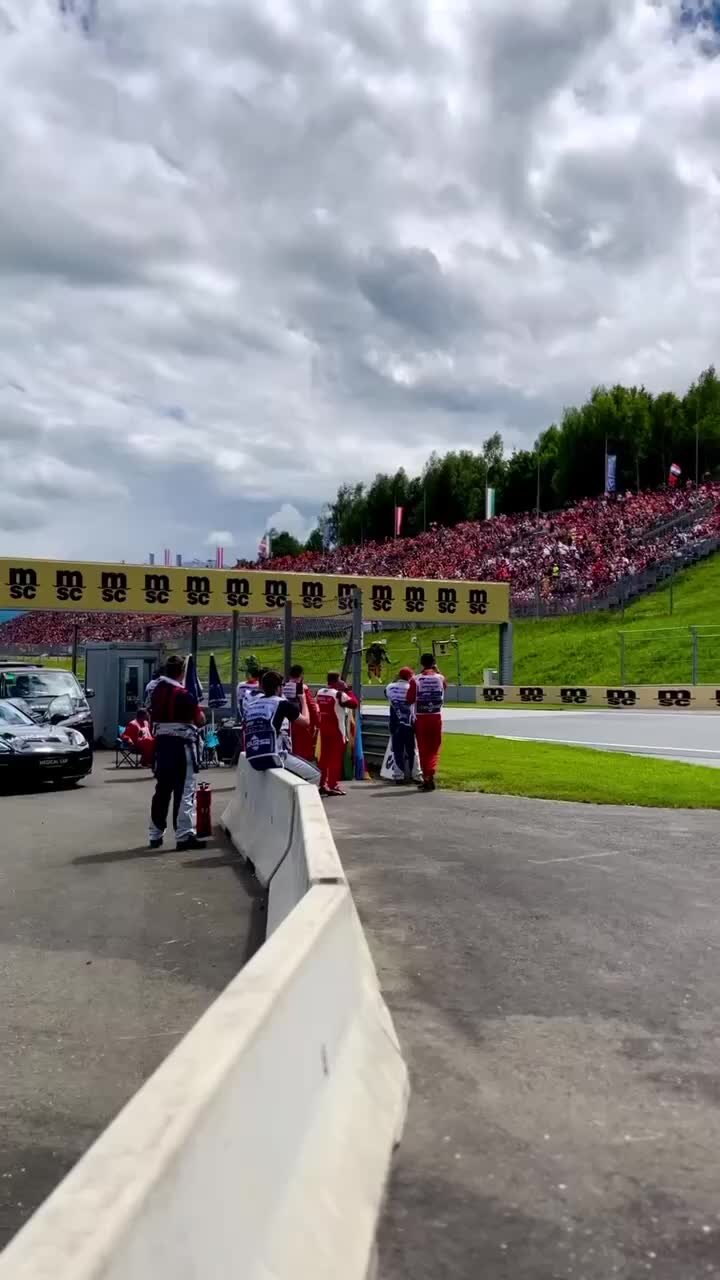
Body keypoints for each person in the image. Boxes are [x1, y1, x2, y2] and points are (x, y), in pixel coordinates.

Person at [147, 654, 206, 850]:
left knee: (162, 790)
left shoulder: (155, 690)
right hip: (182, 745)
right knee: (185, 790)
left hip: (161, 744)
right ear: (182, 673)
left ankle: (155, 834)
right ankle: (184, 835)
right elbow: (200, 720)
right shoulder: (184, 694)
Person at [243, 669, 310, 771]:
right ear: (278, 688)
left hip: (252, 756)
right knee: (315, 775)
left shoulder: (252, 704)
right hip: (273, 755)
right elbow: (306, 722)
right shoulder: (281, 703)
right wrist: (303, 700)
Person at [406, 653, 447, 792]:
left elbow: (409, 699)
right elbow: (445, 686)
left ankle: (427, 777)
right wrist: (437, 670)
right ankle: (430, 775)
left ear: (421, 663)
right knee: (434, 748)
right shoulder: (440, 678)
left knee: (423, 749)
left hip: (421, 717)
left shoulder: (415, 679)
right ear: (434, 663)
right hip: (436, 717)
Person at [316, 673, 359, 797]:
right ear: (337, 681)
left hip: (323, 729)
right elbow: (354, 704)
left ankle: (322, 783)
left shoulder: (320, 692)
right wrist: (347, 690)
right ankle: (333, 785)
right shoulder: (339, 694)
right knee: (335, 759)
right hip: (337, 731)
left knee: (324, 758)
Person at [282, 663, 320, 762]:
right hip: (302, 725)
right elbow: (312, 707)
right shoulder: (302, 688)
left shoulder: (283, 687)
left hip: (286, 725)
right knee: (303, 756)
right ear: (301, 675)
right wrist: (318, 724)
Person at [385, 666, 416, 784]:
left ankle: (399, 776)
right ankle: (413, 775)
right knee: (411, 750)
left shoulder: (390, 687)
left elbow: (386, 694)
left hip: (395, 722)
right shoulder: (411, 687)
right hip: (409, 723)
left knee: (397, 750)